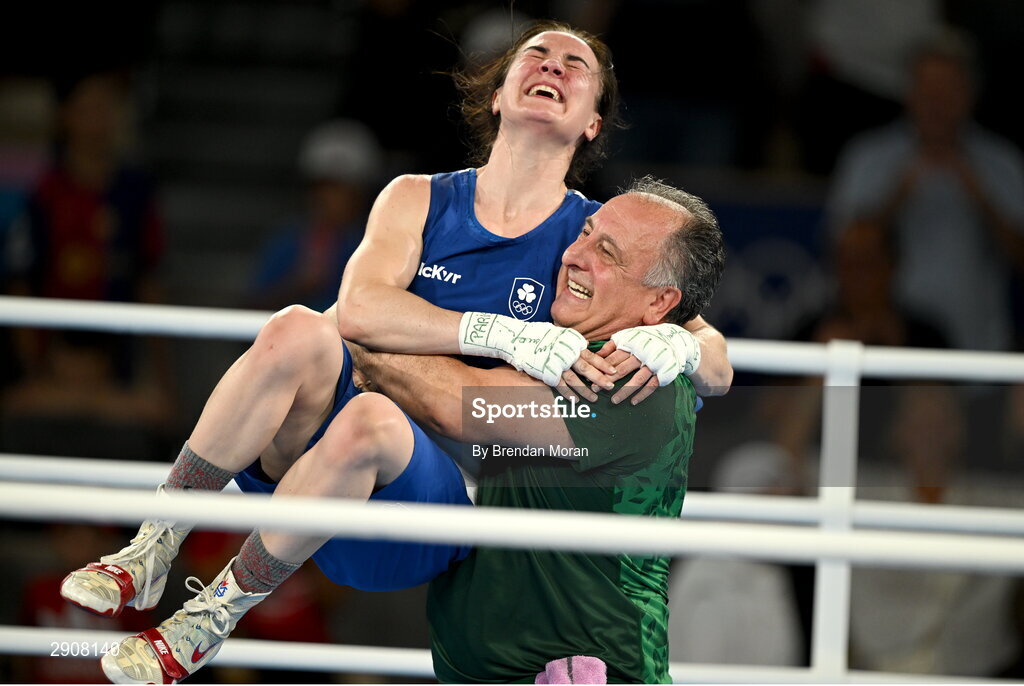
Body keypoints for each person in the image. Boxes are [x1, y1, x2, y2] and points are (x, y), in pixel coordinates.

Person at [59, 22, 731, 684]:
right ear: (497, 95)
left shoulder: (586, 238)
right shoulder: (418, 198)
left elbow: (710, 352)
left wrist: (681, 341)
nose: (553, 65)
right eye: (537, 53)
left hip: (430, 500)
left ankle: (211, 617)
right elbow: (356, 310)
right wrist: (503, 333)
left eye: (574, 65)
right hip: (311, 467)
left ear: (592, 123)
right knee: (297, 328)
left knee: (371, 418)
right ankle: (154, 544)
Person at [346, 176, 725, 683]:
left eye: (606, 252)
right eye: (585, 233)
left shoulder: (627, 382)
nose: (572, 254)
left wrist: (361, 345)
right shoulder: (573, 357)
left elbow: (456, 405)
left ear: (659, 305)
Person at [826, 27, 1024, 351]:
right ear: (909, 91)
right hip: (891, 351)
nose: (937, 102)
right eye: (928, 87)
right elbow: (841, 254)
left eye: (949, 88)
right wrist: (896, 197)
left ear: (971, 94)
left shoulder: (1004, 163)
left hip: (978, 347)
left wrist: (982, 197)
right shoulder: (866, 157)